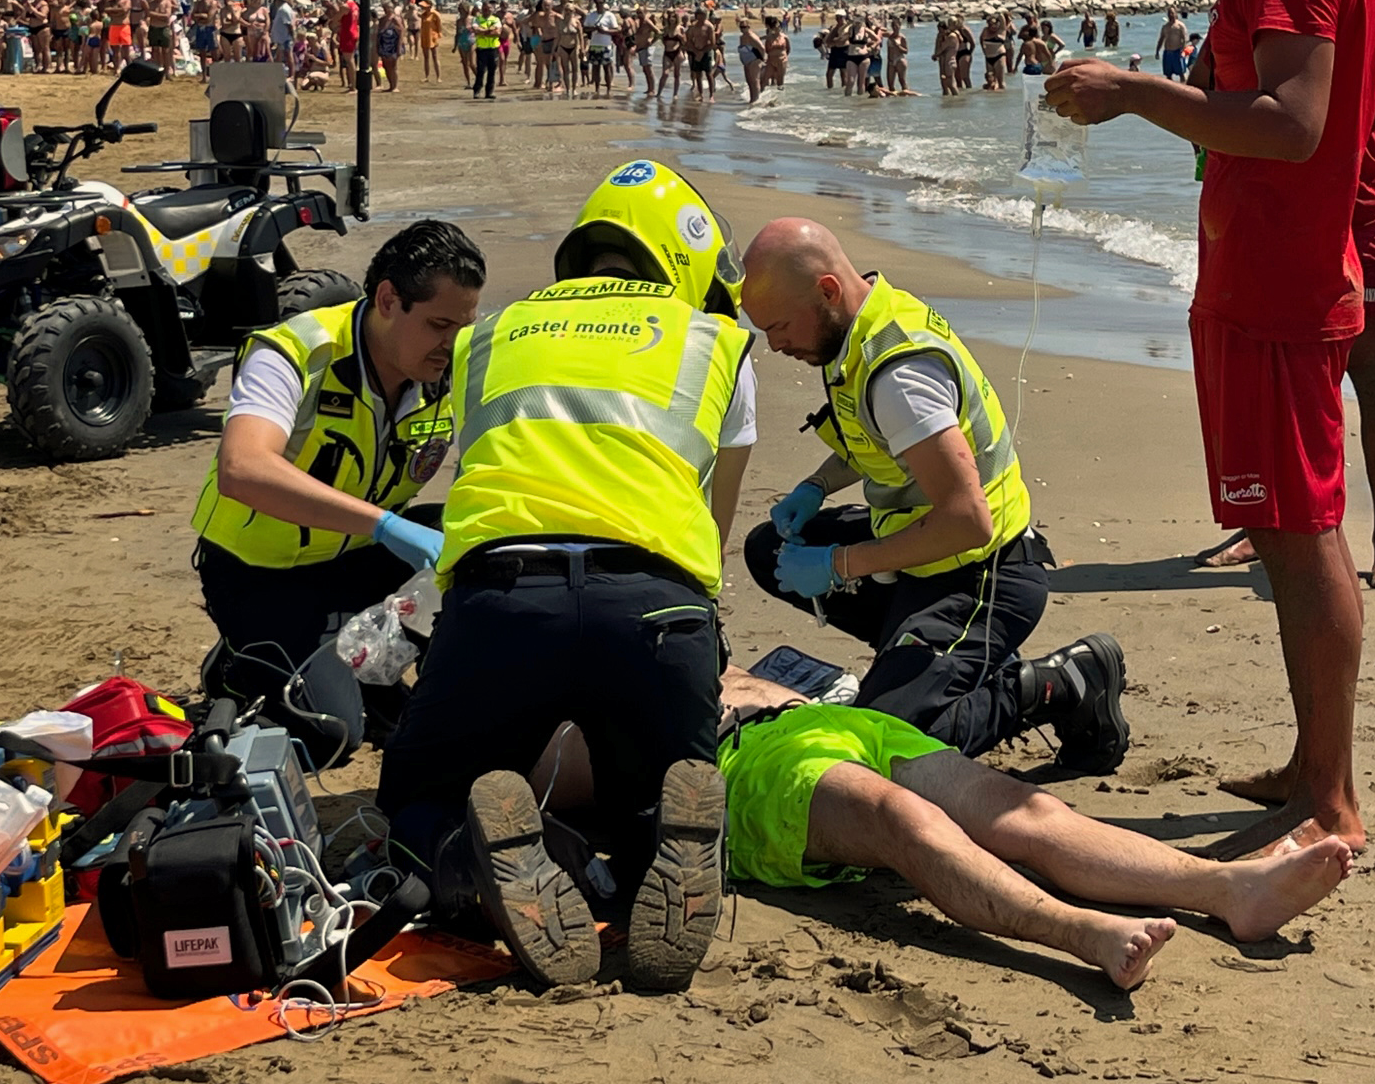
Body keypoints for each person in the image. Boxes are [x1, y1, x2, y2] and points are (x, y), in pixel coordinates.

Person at [1042, 0, 1375, 856]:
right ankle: (1312, 761)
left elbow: (1292, 124)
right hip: (1296, 273)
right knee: (1291, 527)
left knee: (1299, 533)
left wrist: (1138, 91)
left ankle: (1329, 796)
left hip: (1277, 288)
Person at [376, 160, 757, 992]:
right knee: (649, 794)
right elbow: (714, 529)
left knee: (414, 805)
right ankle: (659, 843)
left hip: (505, 597)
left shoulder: (488, 336)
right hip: (657, 603)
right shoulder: (716, 342)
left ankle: (487, 861)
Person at [739, 218, 1127, 765]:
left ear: (827, 290)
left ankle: (1055, 683)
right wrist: (815, 485)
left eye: (779, 326)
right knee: (768, 549)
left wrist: (840, 564)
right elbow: (878, 436)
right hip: (917, 554)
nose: (774, 345)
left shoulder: (900, 374)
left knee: (885, 753)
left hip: (983, 572)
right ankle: (923, 659)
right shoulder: (859, 323)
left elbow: (969, 520)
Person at [708, 669, 1348, 987]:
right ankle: (1080, 932)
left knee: (1023, 808)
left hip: (831, 721)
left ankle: (1228, 889)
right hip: (746, 762)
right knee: (901, 819)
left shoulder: (665, 594)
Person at [1197, 0, 1375, 590]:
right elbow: (1209, 86)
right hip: (1268, 216)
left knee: (1374, 368)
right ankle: (1269, 524)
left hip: (1360, 206)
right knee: (1273, 374)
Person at [193, 221, 485, 761]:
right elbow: (242, 466)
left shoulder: (446, 369)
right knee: (332, 735)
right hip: (261, 574)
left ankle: (372, 669)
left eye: (463, 326)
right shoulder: (297, 353)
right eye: (439, 324)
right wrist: (385, 525)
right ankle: (236, 668)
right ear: (388, 299)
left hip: (357, 560)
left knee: (480, 540)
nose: (452, 344)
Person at [583, 0, 618, 96]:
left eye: (601, 3)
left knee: (607, 68)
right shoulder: (591, 15)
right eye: (597, 3)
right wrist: (594, 29)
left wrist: (604, 31)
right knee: (595, 67)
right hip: (594, 44)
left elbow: (616, 30)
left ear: (604, 3)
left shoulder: (610, 15)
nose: (599, 5)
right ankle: (597, 88)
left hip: (606, 45)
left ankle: (608, 88)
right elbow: (585, 28)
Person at [470, 6, 501, 98]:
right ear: (482, 10)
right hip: (481, 48)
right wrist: (488, 30)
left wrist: (482, 32)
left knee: (492, 71)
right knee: (480, 71)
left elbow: (498, 32)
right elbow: (475, 30)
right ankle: (477, 91)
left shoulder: (495, 19)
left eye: (489, 9)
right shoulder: (477, 19)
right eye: (485, 9)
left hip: (493, 48)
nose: (487, 10)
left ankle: (489, 92)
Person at [1156, 6, 1190, 79]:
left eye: (1172, 13)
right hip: (1167, 52)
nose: (1170, 15)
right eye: (1169, 13)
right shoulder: (1165, 26)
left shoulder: (1180, 26)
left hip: (1177, 52)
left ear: (1175, 14)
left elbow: (1184, 39)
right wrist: (1157, 51)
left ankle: (1183, 88)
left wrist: (1183, 50)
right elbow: (1161, 39)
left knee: (1181, 73)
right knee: (1168, 75)